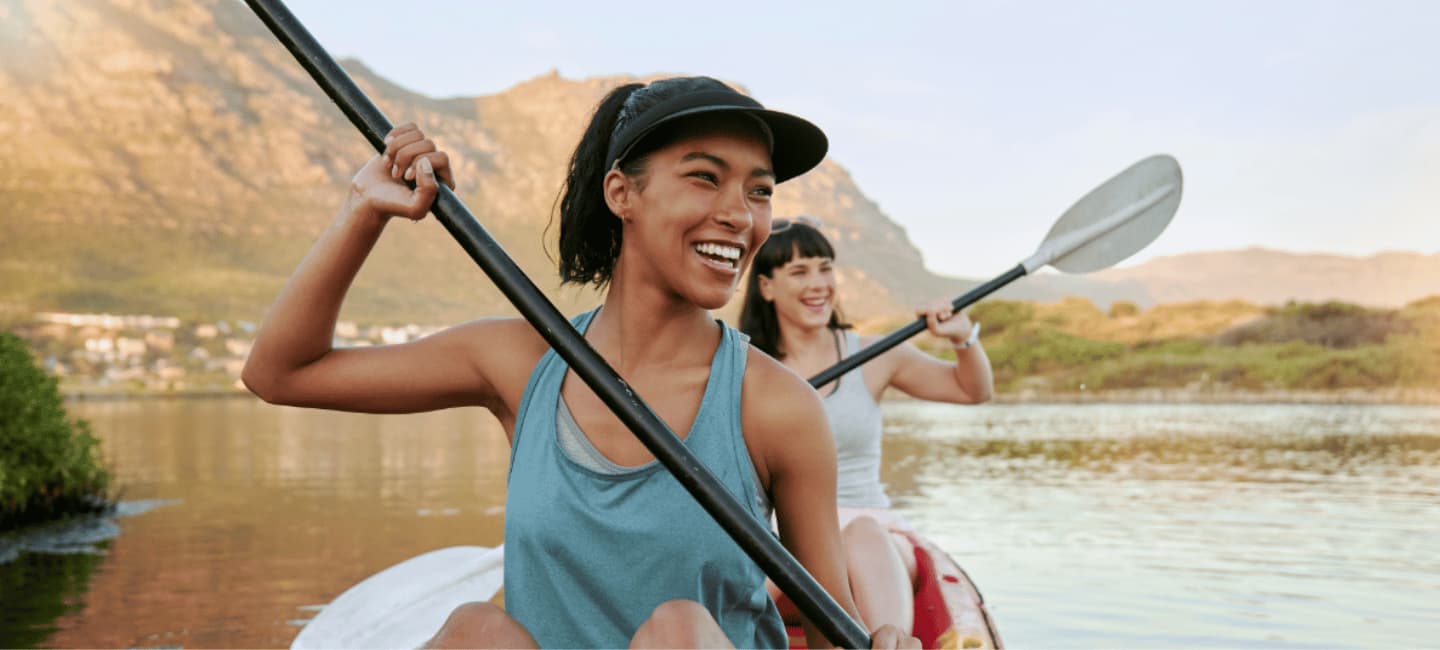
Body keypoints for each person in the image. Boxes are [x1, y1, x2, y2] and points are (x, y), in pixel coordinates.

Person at [242, 76, 915, 649]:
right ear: (622, 193)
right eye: (705, 178)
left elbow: (830, 626)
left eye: (760, 191)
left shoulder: (777, 405)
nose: (740, 215)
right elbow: (281, 374)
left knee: (680, 629)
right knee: (477, 629)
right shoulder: (519, 360)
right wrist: (365, 209)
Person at [738, 218, 994, 636]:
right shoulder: (744, 368)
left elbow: (971, 390)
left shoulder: (876, 355)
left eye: (825, 269)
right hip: (783, 540)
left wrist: (963, 339)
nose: (818, 284)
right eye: (799, 272)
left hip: (873, 536)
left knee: (862, 535)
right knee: (769, 553)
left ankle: (889, 642)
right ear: (766, 287)